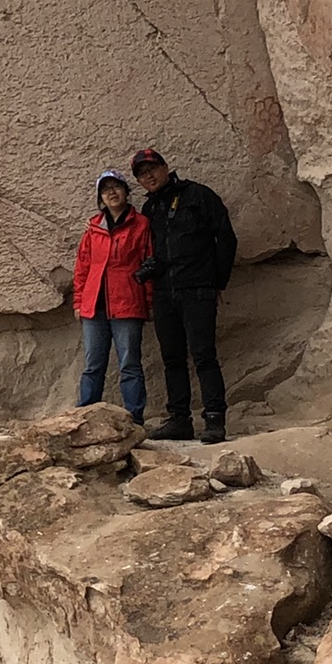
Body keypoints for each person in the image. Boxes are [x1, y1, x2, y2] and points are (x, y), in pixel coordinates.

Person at [130, 146, 237, 443]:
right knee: (172, 358)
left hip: (197, 289)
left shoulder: (198, 195)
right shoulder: (149, 210)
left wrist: (217, 282)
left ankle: (214, 419)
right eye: (141, 174)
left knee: (204, 355)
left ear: (165, 167)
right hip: (165, 292)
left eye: (151, 169)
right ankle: (179, 419)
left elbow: (225, 236)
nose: (148, 176)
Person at [71, 170, 153, 425]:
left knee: (130, 364)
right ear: (100, 198)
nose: (111, 193)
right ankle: (85, 418)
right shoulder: (94, 227)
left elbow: (149, 263)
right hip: (94, 305)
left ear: (126, 192)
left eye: (116, 187)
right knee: (93, 364)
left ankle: (134, 419)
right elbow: (83, 266)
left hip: (127, 303)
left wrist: (148, 302)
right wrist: (78, 302)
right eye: (105, 189)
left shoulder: (141, 224)